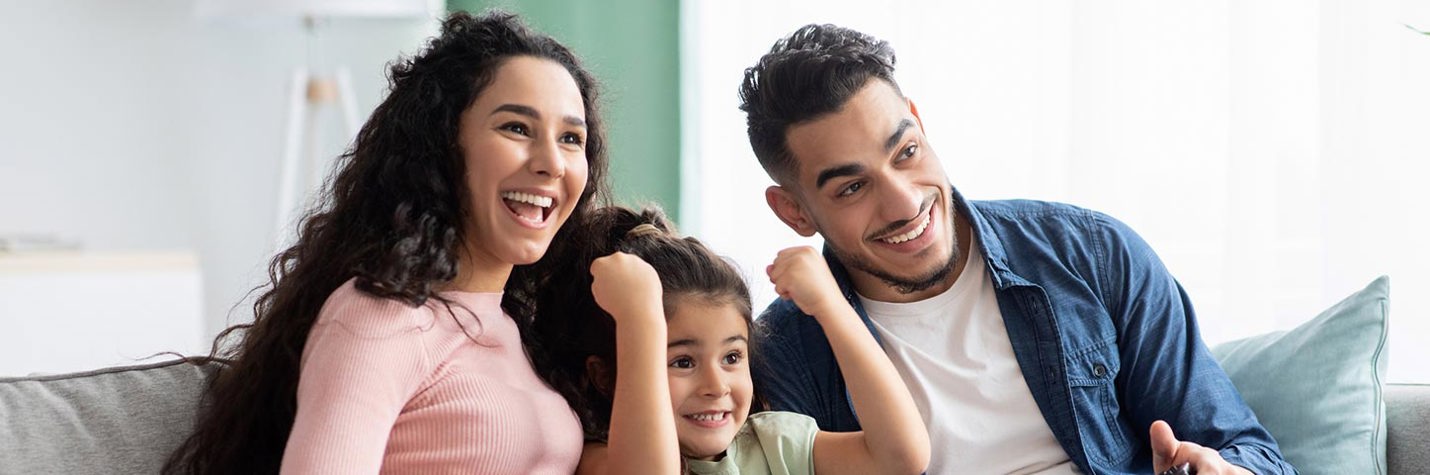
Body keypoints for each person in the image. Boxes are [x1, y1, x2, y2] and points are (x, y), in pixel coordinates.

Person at [738, 23, 1296, 474]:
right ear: (795, 211)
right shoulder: (783, 355)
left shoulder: (1092, 255)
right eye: (853, 188)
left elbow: (1252, 452)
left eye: (906, 152)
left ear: (921, 123)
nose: (904, 203)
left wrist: (1225, 471)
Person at [164, 11, 610, 474]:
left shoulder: (523, 329)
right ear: (442, 145)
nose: (552, 163)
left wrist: (643, 324)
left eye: (571, 138)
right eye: (516, 128)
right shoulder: (381, 316)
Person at [531, 206, 929, 475]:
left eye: (732, 357)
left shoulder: (772, 446)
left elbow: (901, 456)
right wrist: (640, 318)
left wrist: (832, 307)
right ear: (605, 376)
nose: (716, 386)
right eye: (682, 361)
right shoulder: (602, 459)